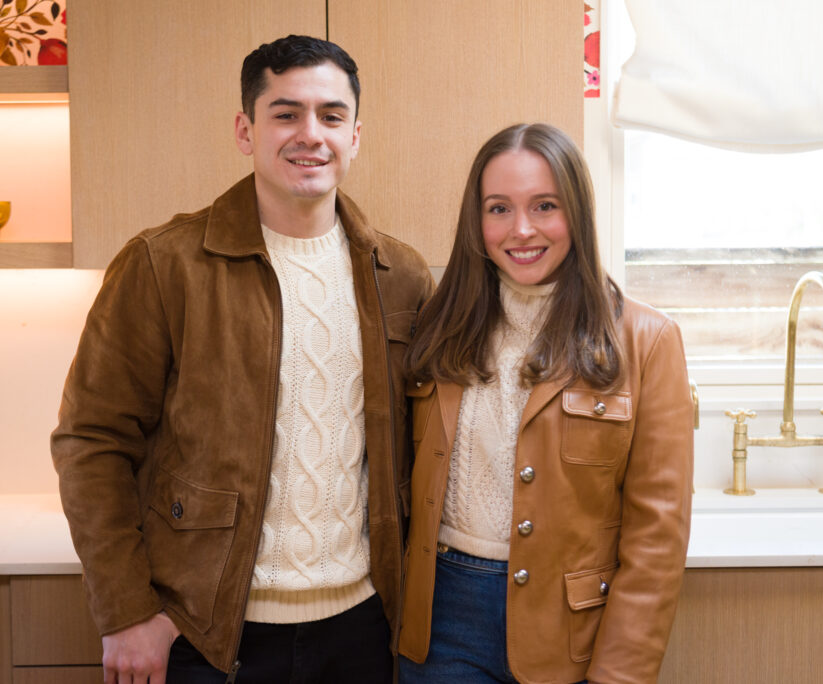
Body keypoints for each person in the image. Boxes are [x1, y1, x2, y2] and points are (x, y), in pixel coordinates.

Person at [51, 35, 433, 684]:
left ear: (355, 135)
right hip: (204, 634)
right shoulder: (163, 264)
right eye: (285, 113)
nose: (310, 134)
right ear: (244, 129)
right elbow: (92, 441)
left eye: (330, 116)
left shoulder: (400, 275)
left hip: (364, 632)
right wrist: (125, 613)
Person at [397, 123, 694, 684]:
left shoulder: (646, 340)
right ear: (476, 220)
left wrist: (620, 675)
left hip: (572, 633)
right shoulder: (436, 326)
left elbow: (657, 538)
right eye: (499, 208)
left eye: (544, 205)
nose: (522, 229)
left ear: (576, 213)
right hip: (441, 621)